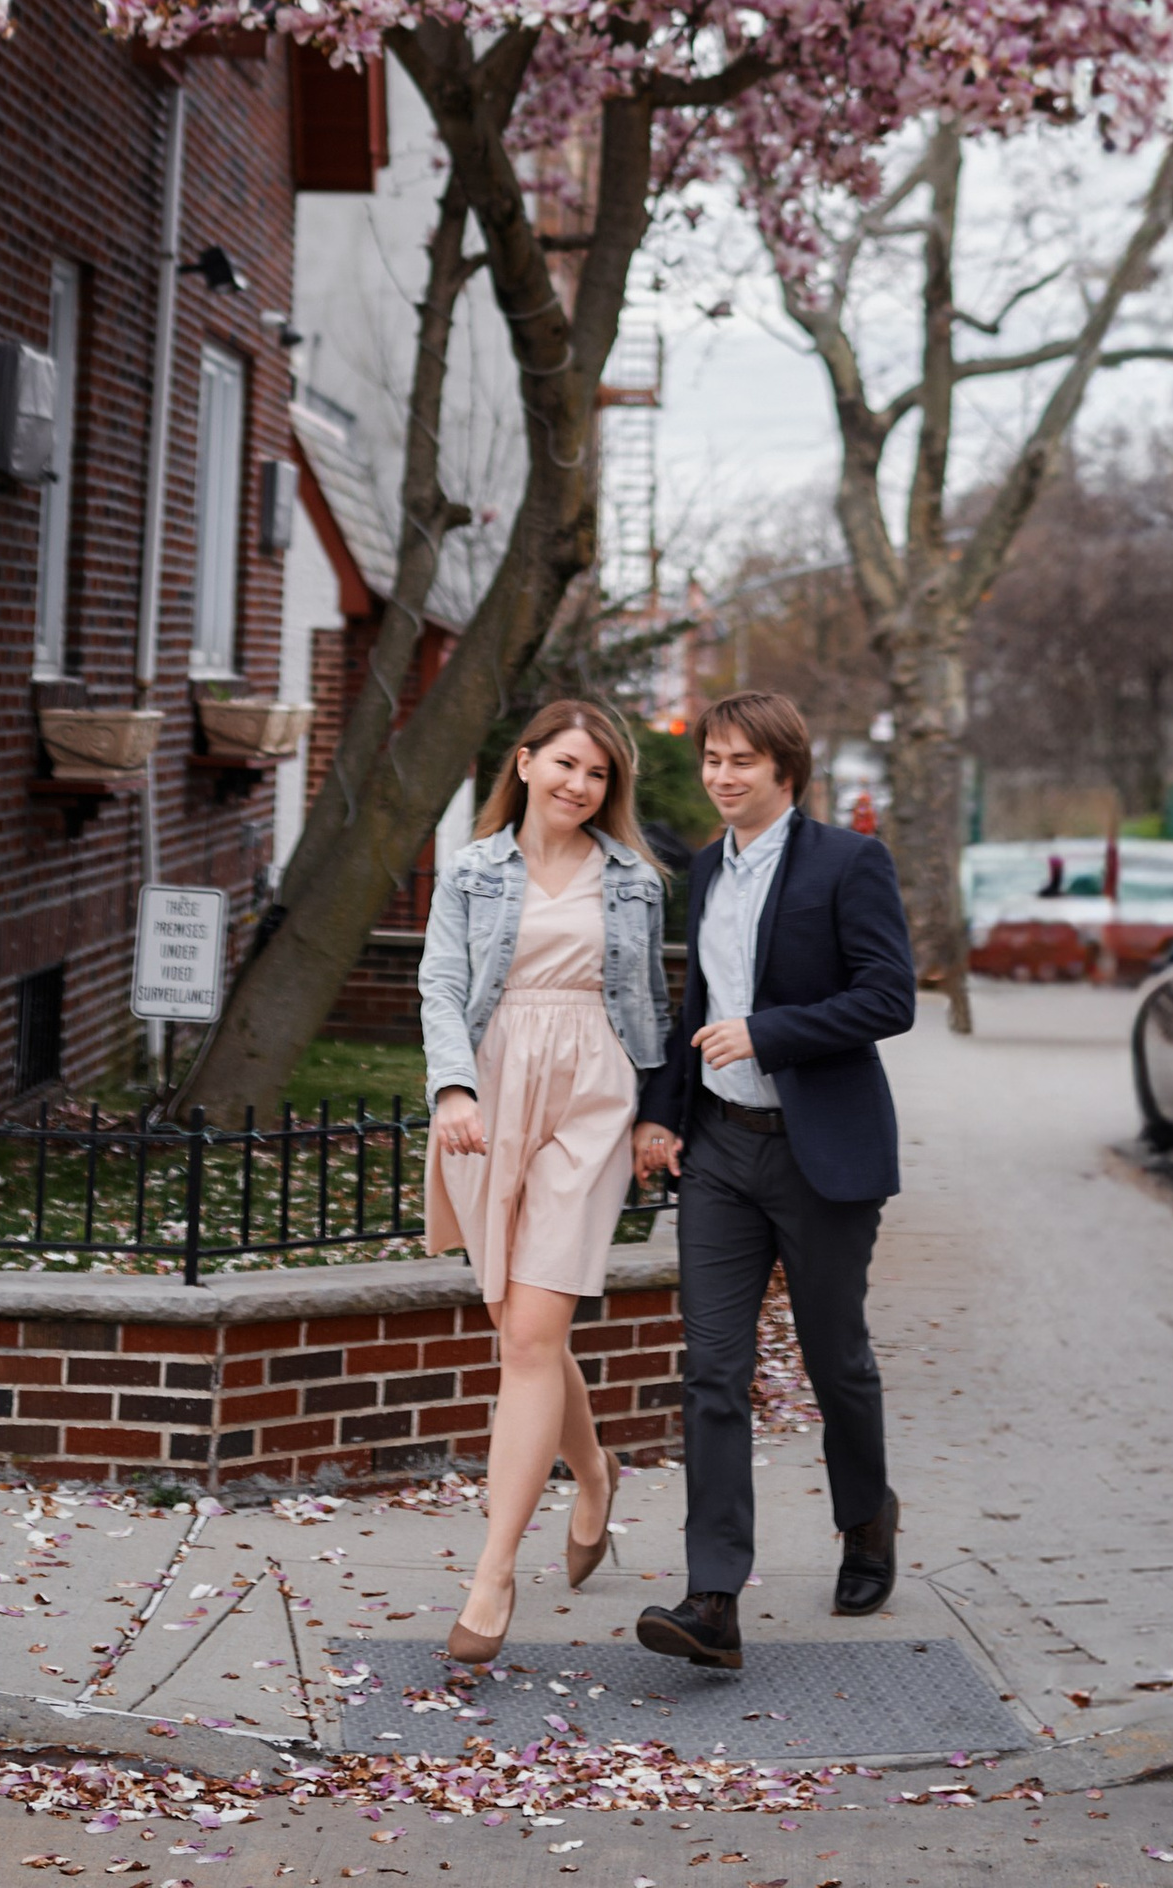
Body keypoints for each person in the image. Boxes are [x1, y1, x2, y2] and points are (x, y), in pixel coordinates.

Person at [631, 688, 918, 1673]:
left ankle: (866, 1519)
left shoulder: (849, 862)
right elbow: (695, 1004)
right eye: (711, 758)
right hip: (719, 1151)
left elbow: (889, 997)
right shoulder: (707, 867)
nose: (720, 776)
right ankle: (712, 1598)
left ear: (785, 771)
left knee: (834, 1357)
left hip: (820, 1152)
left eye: (741, 760)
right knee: (711, 1367)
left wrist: (770, 1032)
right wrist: (662, 1109)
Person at [417, 694, 673, 1666]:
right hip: (491, 1086)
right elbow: (441, 983)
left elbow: (648, 999)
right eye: (564, 763)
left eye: (598, 773)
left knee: (530, 1333)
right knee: (523, 1327)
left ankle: (490, 1576)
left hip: (593, 1092)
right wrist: (451, 1087)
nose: (579, 783)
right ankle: (594, 1474)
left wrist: (655, 1111)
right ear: (522, 764)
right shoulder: (473, 870)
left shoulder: (633, 881)